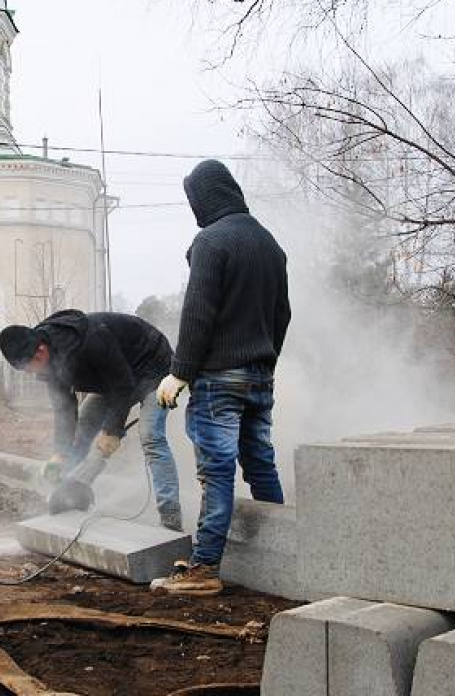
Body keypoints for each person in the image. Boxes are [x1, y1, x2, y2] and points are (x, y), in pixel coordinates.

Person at [152, 159, 291, 596]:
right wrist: (265, 363)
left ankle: (204, 568)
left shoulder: (211, 241)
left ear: (203, 199)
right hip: (259, 377)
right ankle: (286, 552)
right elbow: (282, 315)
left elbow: (199, 314)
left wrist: (180, 373)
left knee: (216, 472)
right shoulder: (269, 244)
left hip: (218, 380)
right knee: (261, 463)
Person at [0, 309, 182, 531]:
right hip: (113, 378)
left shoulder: (90, 339)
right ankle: (72, 491)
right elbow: (65, 410)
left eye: (28, 368)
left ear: (40, 352)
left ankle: (171, 519)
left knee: (150, 435)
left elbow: (123, 386)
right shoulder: (48, 359)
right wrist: (59, 453)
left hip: (154, 368)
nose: (29, 374)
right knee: (82, 432)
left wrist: (112, 431)